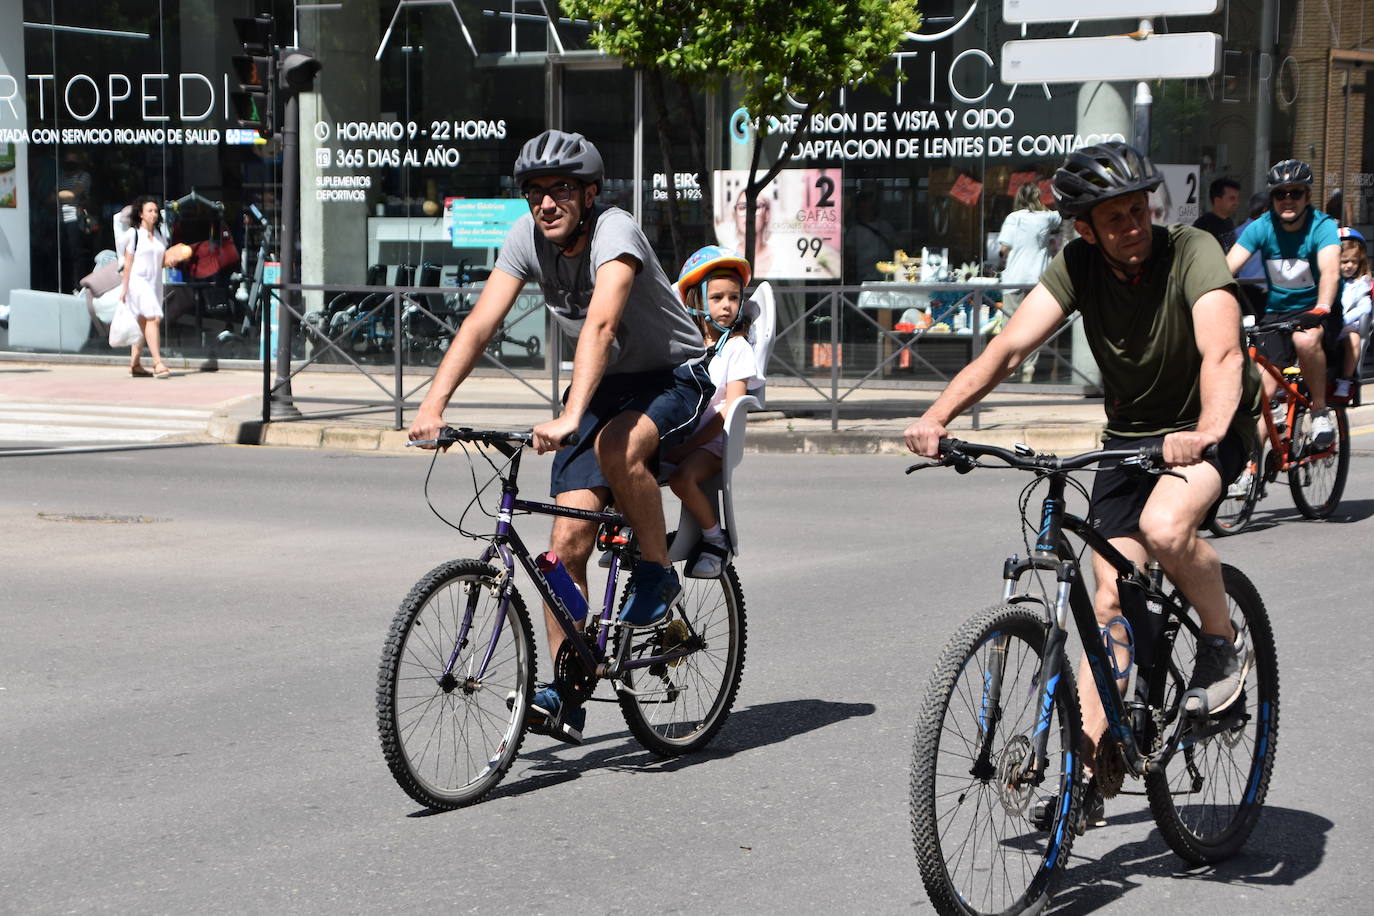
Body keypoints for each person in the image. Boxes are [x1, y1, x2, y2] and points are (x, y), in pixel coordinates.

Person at [904, 141, 1262, 820]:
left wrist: (1210, 431)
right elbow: (1009, 348)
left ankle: (1222, 643)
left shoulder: (1192, 252)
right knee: (1107, 598)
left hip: (1206, 429)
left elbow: (1221, 350)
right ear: (1084, 228)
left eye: (1138, 210)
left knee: (1164, 527)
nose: (1133, 225)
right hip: (1130, 439)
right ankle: (1095, 778)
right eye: (1114, 217)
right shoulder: (1078, 267)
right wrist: (938, 414)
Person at [408, 129, 712, 746]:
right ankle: (566, 694)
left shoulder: (614, 233)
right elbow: (481, 322)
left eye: (561, 191)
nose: (546, 203)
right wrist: (433, 405)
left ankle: (656, 575)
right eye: (535, 193)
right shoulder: (526, 239)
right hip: (601, 387)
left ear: (589, 193)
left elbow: (601, 324)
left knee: (617, 446)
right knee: (564, 546)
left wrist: (572, 415)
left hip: (671, 375)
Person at [1225, 159, 1341, 451]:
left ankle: (1318, 410)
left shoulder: (1323, 226)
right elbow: (1227, 268)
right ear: (1272, 198)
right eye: (1280, 194)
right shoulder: (1262, 226)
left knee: (1305, 340)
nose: (1287, 199)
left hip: (1317, 310)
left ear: (1307, 196)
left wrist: (1322, 307)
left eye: (1295, 193)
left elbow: (1329, 270)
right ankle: (1249, 468)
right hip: (1277, 313)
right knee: (1261, 392)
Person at [665, 246, 759, 578]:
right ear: (697, 301)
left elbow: (730, 409)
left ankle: (714, 538)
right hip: (684, 436)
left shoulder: (736, 348)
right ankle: (631, 529)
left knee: (682, 478)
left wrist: (689, 445)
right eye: (717, 297)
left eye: (733, 298)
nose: (727, 306)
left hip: (715, 441)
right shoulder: (687, 345)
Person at [997, 181, 1062, 382]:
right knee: (1034, 327)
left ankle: (1009, 367)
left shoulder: (1013, 218)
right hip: (1037, 281)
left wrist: (1002, 262)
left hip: (1013, 280)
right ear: (1037, 197)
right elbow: (1064, 216)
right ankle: (1029, 367)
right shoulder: (1048, 218)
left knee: (1010, 326)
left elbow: (1003, 249)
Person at [118, 196, 172, 378]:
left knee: (142, 323)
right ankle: (158, 362)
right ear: (141, 214)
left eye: (156, 211)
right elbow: (128, 263)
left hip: (154, 282)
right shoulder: (135, 234)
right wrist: (124, 288)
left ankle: (135, 364)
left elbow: (161, 260)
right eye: (150, 210)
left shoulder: (159, 236)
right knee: (154, 318)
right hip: (138, 281)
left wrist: (173, 258)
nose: (154, 214)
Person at [1333, 227, 1372, 401]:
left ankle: (1345, 380)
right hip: (1326, 327)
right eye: (1344, 261)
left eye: (1354, 262)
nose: (1349, 266)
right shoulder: (1325, 280)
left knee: (1354, 339)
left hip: (1344, 329)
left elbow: (1365, 307)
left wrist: (1344, 320)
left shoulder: (1359, 284)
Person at [1192, 177, 1241, 250]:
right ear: (1217, 200)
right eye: (1232, 198)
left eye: (1237, 198)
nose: (1236, 203)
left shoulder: (1229, 222)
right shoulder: (1203, 225)